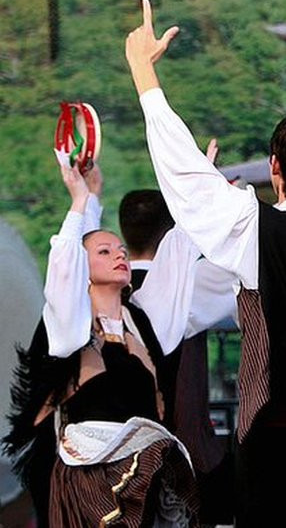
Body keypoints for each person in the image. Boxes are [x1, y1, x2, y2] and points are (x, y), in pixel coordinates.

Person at [125, 0, 286, 526]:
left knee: (260, 508)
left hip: (278, 413)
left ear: (274, 166)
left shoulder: (253, 228)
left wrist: (143, 75)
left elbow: (186, 176)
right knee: (285, 501)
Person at [3, 162, 197, 527]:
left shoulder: (143, 322)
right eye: (105, 253)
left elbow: (180, 250)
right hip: (88, 482)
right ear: (83, 269)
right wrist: (81, 200)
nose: (120, 255)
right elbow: (65, 264)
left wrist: (191, 179)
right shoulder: (69, 326)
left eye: (121, 250)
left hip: (144, 477)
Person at [119, 188, 238, 524]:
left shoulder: (104, 293)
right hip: (188, 456)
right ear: (169, 227)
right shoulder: (190, 285)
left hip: (121, 459)